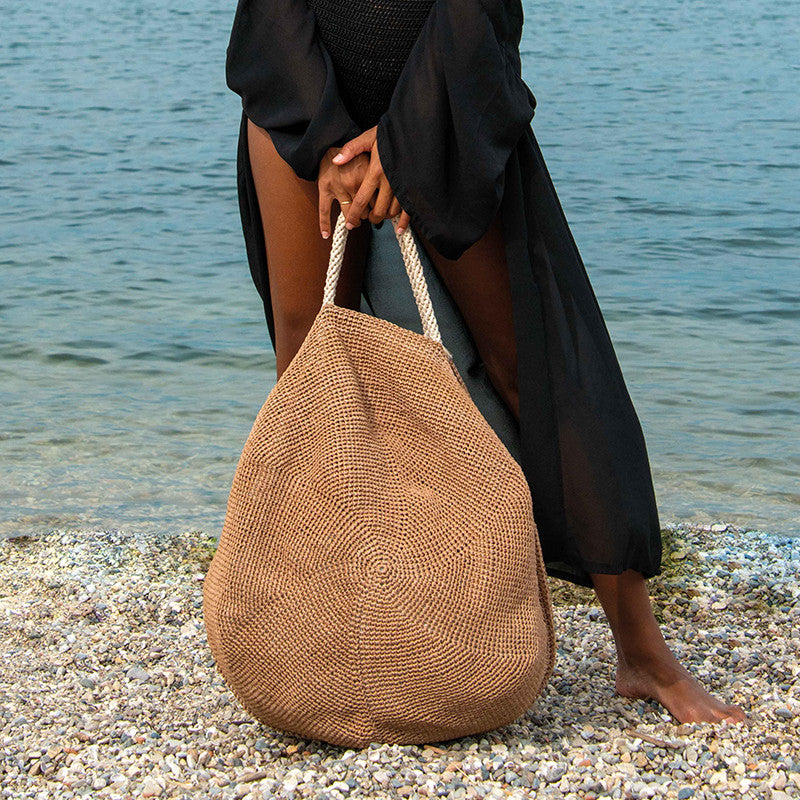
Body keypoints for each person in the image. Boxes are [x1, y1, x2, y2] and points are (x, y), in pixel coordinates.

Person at [224, 0, 747, 724]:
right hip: (299, 100)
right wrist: (323, 139)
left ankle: (642, 653)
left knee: (533, 367)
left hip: (447, 96)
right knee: (311, 373)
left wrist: (409, 138)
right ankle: (321, 640)